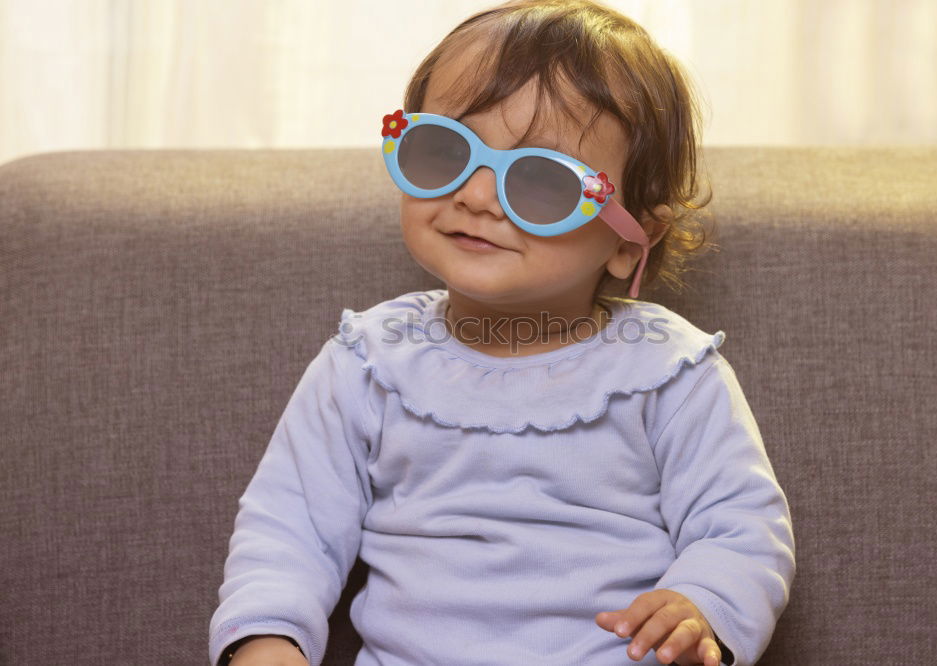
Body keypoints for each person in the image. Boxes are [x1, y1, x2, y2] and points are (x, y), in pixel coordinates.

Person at [208, 1, 795, 665]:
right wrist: (268, 639)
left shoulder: (669, 370)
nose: (477, 195)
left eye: (541, 181)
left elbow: (743, 526)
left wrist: (705, 607)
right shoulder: (369, 362)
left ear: (633, 241)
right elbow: (289, 529)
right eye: (444, 150)